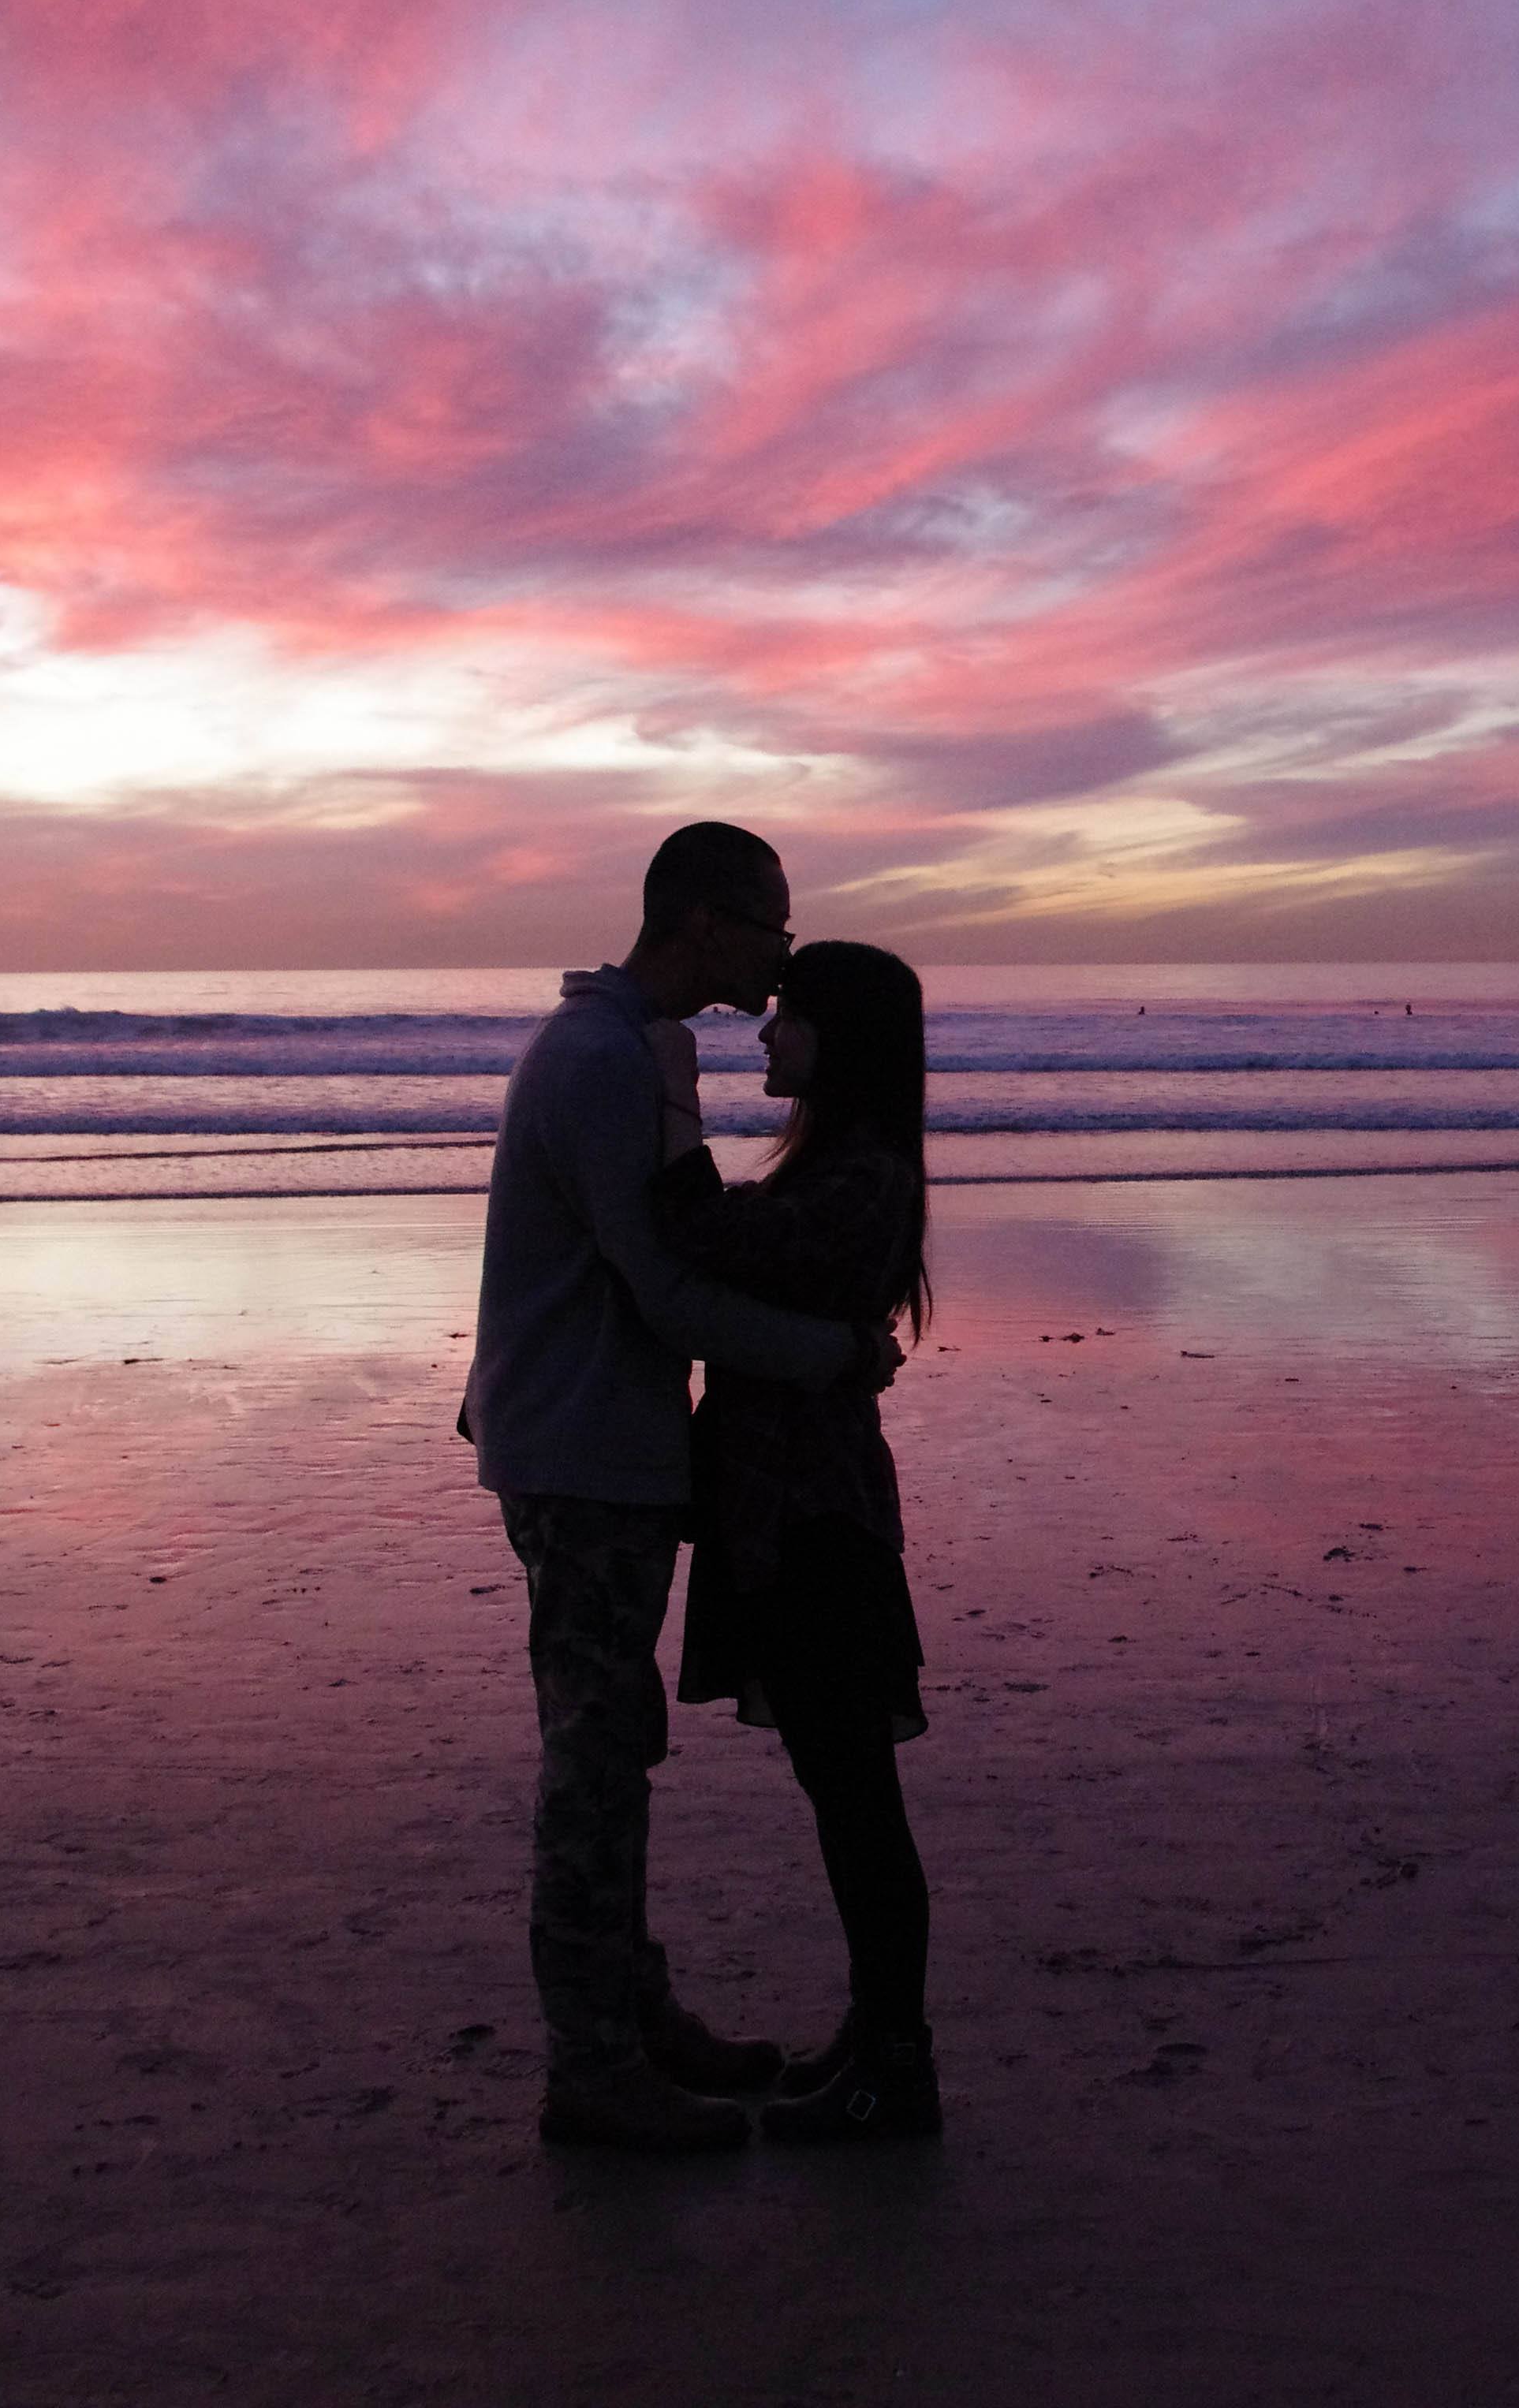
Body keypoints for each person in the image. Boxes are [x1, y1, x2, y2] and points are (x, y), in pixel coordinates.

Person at [459, 823, 898, 2154]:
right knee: (594, 1759)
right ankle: (593, 2067)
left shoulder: (635, 1048)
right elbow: (663, 1288)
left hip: (597, 1442)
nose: (784, 947)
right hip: (582, 1456)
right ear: (705, 923)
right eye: (771, 921)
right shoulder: (599, 1059)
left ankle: (632, 2018)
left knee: (616, 1741)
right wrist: (826, 1353)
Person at [648, 940, 942, 2142]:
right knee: (844, 1790)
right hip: (796, 1508)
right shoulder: (842, 1166)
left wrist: (659, 1105)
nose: (765, 1036)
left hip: (816, 1518)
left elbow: (712, 1240)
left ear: (841, 1039)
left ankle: (899, 2062)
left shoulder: (861, 1177)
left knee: (856, 1796)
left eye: (789, 1021)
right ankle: (880, 2043)